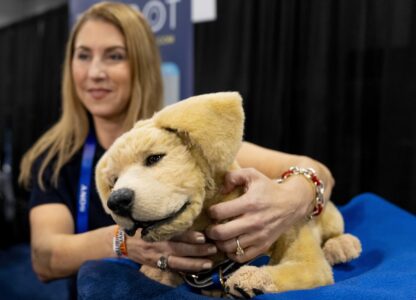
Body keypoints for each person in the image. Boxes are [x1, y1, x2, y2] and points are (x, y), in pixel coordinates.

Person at [19, 0, 334, 293]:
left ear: (141, 64)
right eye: (83, 55)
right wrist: (126, 243)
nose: (94, 72)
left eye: (114, 55)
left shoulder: (181, 139)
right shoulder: (54, 159)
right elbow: (44, 258)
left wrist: (286, 204)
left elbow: (316, 171)